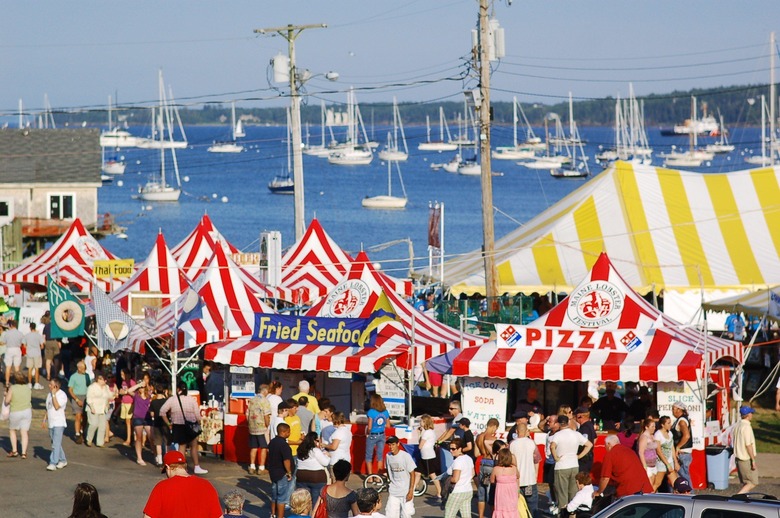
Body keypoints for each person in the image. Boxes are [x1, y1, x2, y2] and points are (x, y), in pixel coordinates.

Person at [143, 450, 223, 518]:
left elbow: (148, 516)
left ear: (167, 467)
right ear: (185, 466)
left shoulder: (162, 487)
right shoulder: (207, 486)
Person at [160, 381, 208, 474]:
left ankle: (181, 467)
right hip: (190, 425)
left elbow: (162, 411)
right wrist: (198, 423)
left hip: (177, 425)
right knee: (194, 446)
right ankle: (197, 466)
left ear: (178, 389)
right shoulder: (191, 399)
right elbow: (197, 415)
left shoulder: (173, 399)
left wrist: (168, 423)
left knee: (182, 446)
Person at [551, 414, 593, 512]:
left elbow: (552, 446)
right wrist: (579, 456)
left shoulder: (557, 435)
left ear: (558, 423)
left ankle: (562, 514)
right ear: (568, 422)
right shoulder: (576, 434)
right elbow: (589, 445)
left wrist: (556, 457)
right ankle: (572, 514)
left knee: (562, 495)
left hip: (561, 466)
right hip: (574, 465)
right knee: (573, 494)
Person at [593, 435, 653, 500]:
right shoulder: (630, 451)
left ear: (609, 444)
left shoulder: (610, 454)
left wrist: (598, 492)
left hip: (628, 491)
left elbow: (605, 478)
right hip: (644, 486)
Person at [509, 421, 541, 517]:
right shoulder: (531, 443)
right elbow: (537, 460)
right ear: (527, 431)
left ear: (516, 431)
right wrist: (535, 475)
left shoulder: (512, 444)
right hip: (529, 480)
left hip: (516, 481)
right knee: (532, 507)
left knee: (517, 507)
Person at [384, 435, 417, 518]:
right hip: (394, 491)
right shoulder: (388, 456)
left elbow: (412, 474)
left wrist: (411, 491)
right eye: (389, 445)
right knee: (390, 514)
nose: (391, 447)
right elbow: (388, 470)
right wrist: (389, 482)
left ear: (398, 444)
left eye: (393, 444)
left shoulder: (405, 456)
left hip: (405, 491)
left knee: (406, 515)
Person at [268, 422, 295, 518]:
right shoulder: (284, 445)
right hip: (282, 474)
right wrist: (289, 472)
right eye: (288, 432)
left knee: (274, 495)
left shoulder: (272, 442)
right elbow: (286, 460)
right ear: (283, 432)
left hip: (273, 473)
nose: (289, 433)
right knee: (282, 498)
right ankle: (280, 516)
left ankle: (273, 514)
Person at [444, 437, 475, 518]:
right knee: (466, 515)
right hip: (468, 490)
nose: (451, 450)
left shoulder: (458, 461)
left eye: (453, 449)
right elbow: (473, 473)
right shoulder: (469, 458)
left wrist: (446, 479)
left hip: (457, 492)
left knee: (449, 515)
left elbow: (455, 479)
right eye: (450, 448)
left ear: (460, 448)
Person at [126, 379, 154, 464]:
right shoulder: (136, 395)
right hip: (137, 418)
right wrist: (138, 385)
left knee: (151, 437)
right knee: (139, 437)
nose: (141, 388)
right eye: (140, 387)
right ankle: (139, 457)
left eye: (143, 387)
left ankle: (156, 454)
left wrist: (146, 385)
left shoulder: (149, 395)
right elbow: (129, 390)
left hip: (147, 418)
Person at [5, 371, 32, 458]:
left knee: (12, 430)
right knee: (24, 432)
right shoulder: (27, 387)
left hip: (16, 411)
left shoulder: (13, 388)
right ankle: (24, 453)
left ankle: (14, 450)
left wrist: (6, 395)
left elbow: (7, 401)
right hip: (27, 411)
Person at [44, 377, 69, 471]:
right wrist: (44, 419)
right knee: (55, 443)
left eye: (51, 384)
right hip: (51, 422)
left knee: (56, 443)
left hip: (59, 422)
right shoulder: (49, 394)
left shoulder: (62, 395)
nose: (49, 386)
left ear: (56, 386)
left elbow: (57, 406)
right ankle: (63, 460)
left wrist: (54, 395)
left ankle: (53, 462)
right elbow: (48, 408)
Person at [246, 383, 271, 474]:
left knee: (254, 447)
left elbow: (247, 414)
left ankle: (252, 466)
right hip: (262, 427)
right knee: (263, 447)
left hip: (252, 426)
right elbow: (266, 415)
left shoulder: (252, 400)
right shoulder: (265, 401)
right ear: (265, 391)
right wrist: (267, 425)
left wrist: (249, 424)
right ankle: (261, 467)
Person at [418, 414, 443, 503]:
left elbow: (420, 445)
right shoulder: (427, 431)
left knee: (432, 474)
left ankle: (440, 492)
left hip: (427, 456)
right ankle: (413, 489)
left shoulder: (427, 432)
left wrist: (420, 434)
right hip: (425, 455)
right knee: (417, 472)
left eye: (421, 421)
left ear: (425, 422)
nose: (419, 422)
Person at [733, 405, 758, 494]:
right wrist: (753, 460)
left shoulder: (737, 425)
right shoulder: (747, 427)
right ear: (748, 415)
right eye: (751, 413)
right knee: (752, 482)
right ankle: (737, 497)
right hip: (745, 458)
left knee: (746, 482)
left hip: (738, 458)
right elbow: (748, 445)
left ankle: (743, 498)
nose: (752, 414)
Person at [85, 371, 113, 448]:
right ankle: (89, 439)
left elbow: (110, 395)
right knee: (93, 424)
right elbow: (89, 398)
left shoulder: (106, 387)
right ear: (98, 379)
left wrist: (114, 393)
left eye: (104, 380)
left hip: (103, 409)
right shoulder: (92, 387)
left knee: (102, 426)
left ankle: (100, 442)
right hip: (93, 408)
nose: (104, 381)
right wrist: (92, 407)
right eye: (102, 379)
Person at [490, 447, 520, 518]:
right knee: (512, 509)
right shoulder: (514, 468)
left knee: (501, 509)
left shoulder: (496, 469)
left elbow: (492, 481)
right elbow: (518, 477)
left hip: (500, 492)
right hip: (512, 492)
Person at [366, 393, 390, 475]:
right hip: (382, 434)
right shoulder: (385, 412)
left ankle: (370, 476)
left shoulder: (371, 412)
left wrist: (367, 432)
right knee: (380, 456)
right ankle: (378, 476)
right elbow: (388, 425)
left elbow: (369, 427)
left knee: (369, 456)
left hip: (372, 435)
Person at [68, 361, 91, 444]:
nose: (84, 370)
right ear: (79, 368)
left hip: (85, 396)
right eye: (83, 369)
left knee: (85, 416)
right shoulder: (73, 377)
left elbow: (89, 385)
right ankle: (77, 434)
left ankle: (82, 430)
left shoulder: (87, 376)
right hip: (76, 396)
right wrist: (77, 399)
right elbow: (70, 389)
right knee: (78, 415)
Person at [149, 382, 170, 467]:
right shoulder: (167, 401)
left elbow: (152, 414)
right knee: (167, 442)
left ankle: (160, 460)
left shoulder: (153, 402)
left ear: (156, 391)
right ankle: (168, 459)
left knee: (158, 443)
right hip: (166, 423)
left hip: (157, 423)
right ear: (164, 391)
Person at [654, 415, 679, 489]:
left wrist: (675, 461)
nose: (670, 425)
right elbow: (658, 451)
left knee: (676, 483)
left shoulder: (670, 433)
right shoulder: (658, 434)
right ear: (662, 425)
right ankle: (648, 498)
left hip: (670, 461)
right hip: (661, 462)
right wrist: (667, 464)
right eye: (668, 423)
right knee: (657, 483)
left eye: (670, 422)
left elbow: (672, 447)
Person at [671, 401, 692, 482]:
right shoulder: (681, 419)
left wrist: (678, 447)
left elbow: (686, 436)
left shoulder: (682, 421)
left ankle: (690, 493)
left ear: (679, 410)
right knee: (682, 476)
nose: (672, 411)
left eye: (673, 409)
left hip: (683, 452)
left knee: (684, 476)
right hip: (684, 452)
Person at [636, 418, 660, 490]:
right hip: (647, 465)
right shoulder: (644, 437)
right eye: (652, 426)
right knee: (648, 487)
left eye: (654, 426)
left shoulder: (652, 436)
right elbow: (641, 452)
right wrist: (644, 466)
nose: (654, 428)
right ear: (646, 427)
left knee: (653, 486)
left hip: (654, 464)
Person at [1, 319, 24, 388]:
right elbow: (22, 343)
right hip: (17, 349)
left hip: (9, 349)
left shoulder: (7, 333)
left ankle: (7, 382)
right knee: (17, 367)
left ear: (11, 325)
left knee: (8, 367)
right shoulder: (20, 333)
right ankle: (17, 382)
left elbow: (3, 342)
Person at [574, 407, 596, 474]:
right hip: (588, 457)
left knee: (581, 480)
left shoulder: (584, 428)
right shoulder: (590, 425)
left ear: (580, 416)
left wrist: (579, 456)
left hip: (583, 459)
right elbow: (595, 438)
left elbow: (585, 444)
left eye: (576, 416)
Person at [23, 322, 45, 389]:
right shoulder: (38, 335)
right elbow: (42, 346)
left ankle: (29, 383)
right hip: (37, 353)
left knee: (29, 368)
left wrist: (29, 348)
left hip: (30, 353)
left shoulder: (27, 335)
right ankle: (36, 383)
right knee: (37, 369)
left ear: (30, 327)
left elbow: (24, 345)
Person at [117, 368, 136, 445]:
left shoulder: (132, 382)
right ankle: (128, 436)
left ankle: (129, 439)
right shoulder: (124, 382)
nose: (122, 376)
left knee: (128, 421)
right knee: (126, 421)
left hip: (130, 402)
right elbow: (122, 391)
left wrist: (126, 392)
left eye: (123, 374)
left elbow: (133, 393)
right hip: (124, 402)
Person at [41, 311, 59, 382]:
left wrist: (44, 342)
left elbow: (43, 336)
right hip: (55, 341)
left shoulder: (46, 325)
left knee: (48, 359)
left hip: (48, 341)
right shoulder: (56, 326)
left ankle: (48, 374)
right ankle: (56, 374)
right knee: (56, 358)